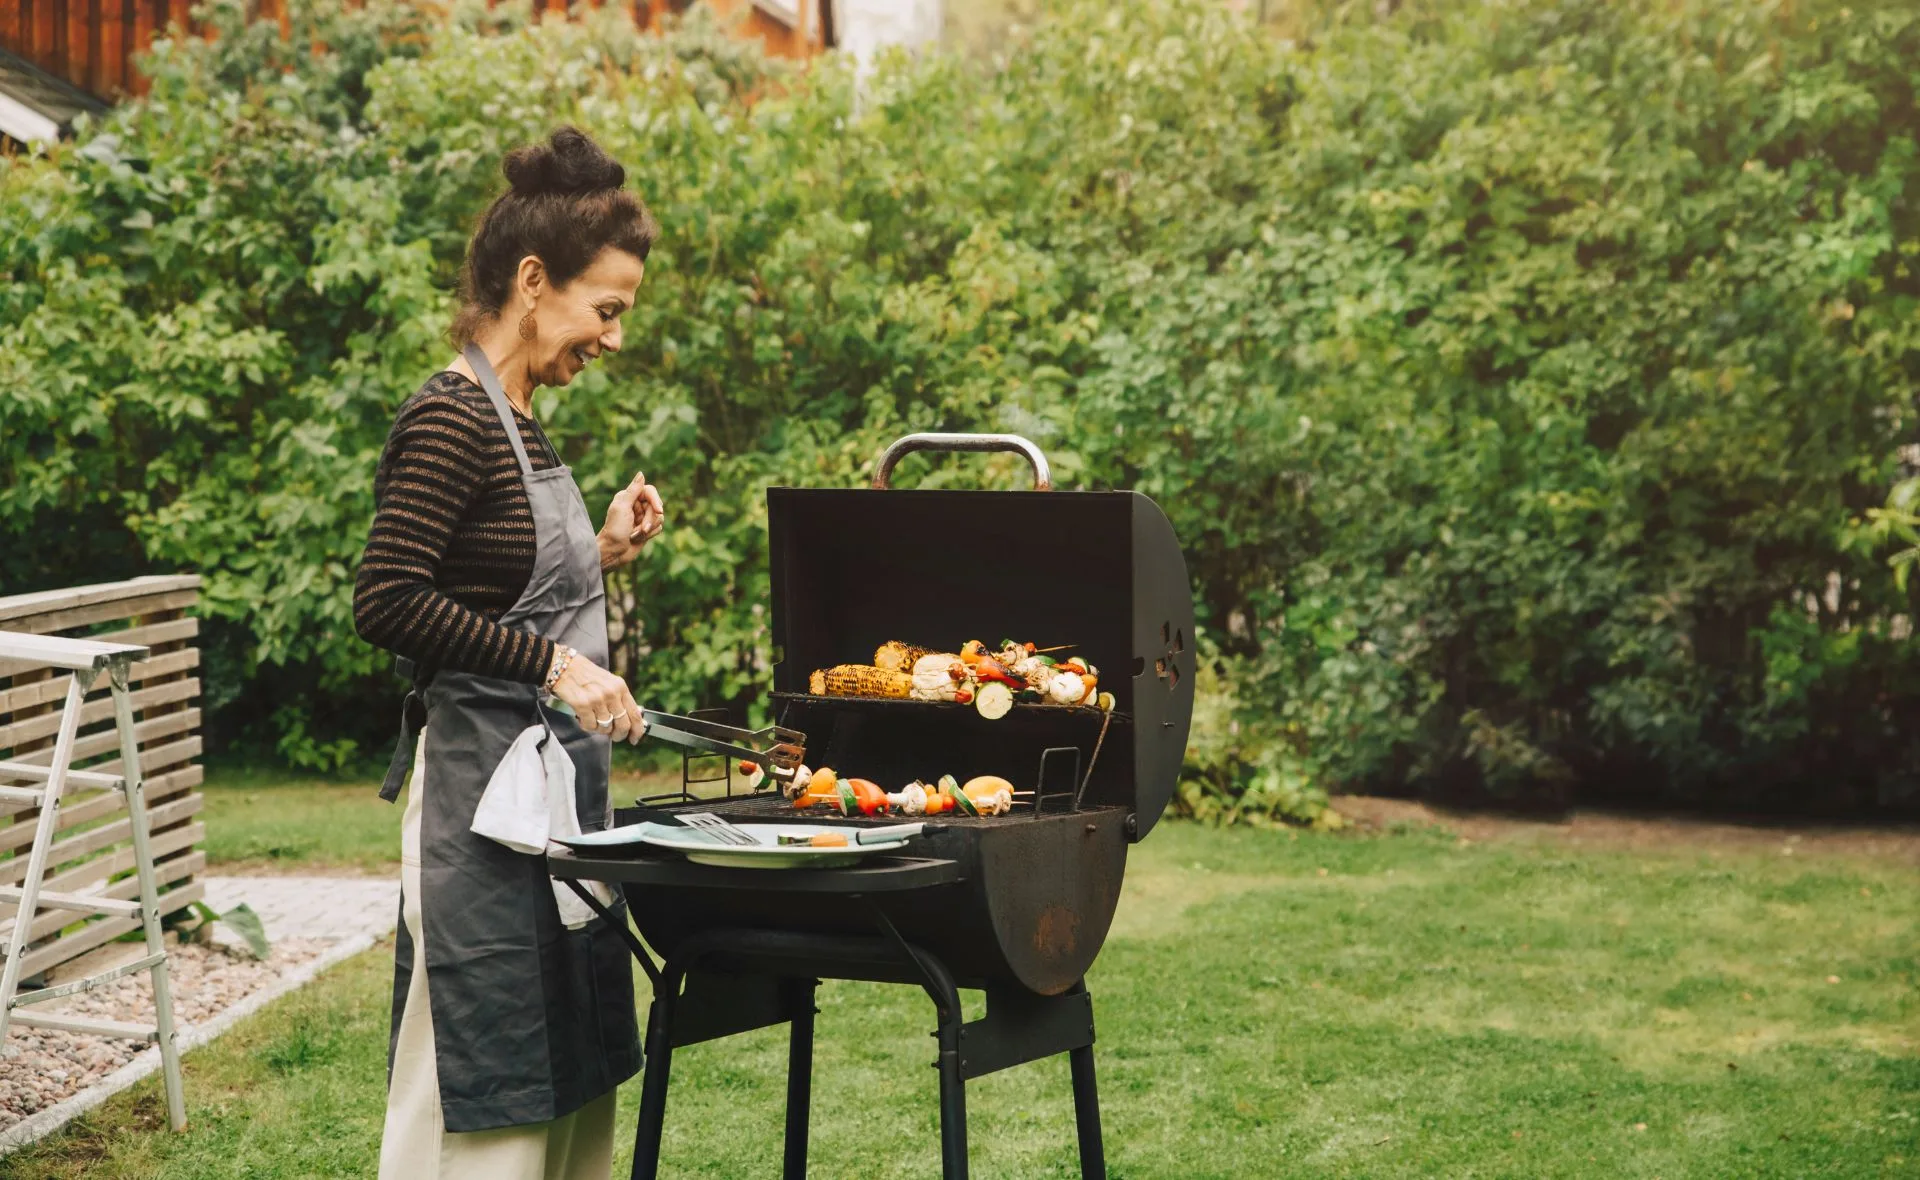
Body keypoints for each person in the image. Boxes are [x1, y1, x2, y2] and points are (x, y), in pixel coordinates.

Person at [352, 125, 664, 1180]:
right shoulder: (451, 417)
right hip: (480, 813)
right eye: (606, 310)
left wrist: (605, 549)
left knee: (565, 1088)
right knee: (483, 1099)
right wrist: (556, 667)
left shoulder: (523, 420)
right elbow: (388, 595)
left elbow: (498, 587)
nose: (613, 338)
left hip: (552, 810)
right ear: (535, 281)